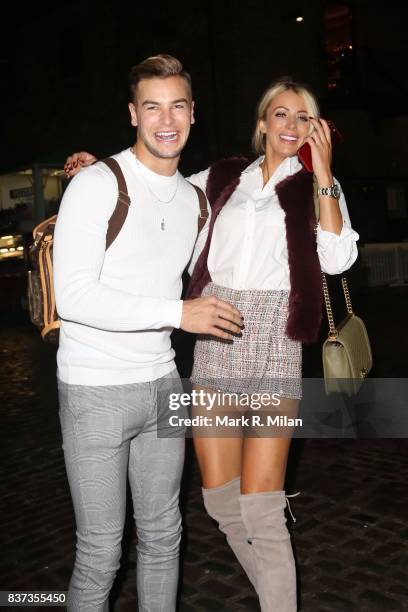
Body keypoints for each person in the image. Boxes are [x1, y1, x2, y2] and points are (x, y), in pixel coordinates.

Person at [65, 77, 359, 611]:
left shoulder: (316, 187)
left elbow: (338, 259)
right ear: (263, 123)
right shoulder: (221, 177)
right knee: (222, 503)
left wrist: (325, 174)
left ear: (316, 130)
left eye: (303, 118)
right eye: (281, 115)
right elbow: (163, 192)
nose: (291, 127)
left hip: (275, 342)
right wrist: (103, 174)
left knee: (262, 508)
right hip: (215, 333)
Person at [54, 54, 243, 612]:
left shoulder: (194, 200)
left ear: (192, 113)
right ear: (133, 114)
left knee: (164, 537)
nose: (167, 119)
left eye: (178, 105)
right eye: (152, 106)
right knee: (100, 554)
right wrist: (178, 313)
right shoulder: (95, 184)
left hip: (163, 383)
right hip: (95, 389)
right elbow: (76, 297)